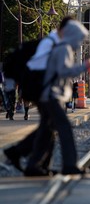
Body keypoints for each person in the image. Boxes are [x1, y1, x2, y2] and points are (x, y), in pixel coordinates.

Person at [2, 16, 74, 173]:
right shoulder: (50, 44)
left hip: (45, 91)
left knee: (48, 127)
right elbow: (38, 67)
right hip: (42, 91)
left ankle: (33, 163)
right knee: (52, 125)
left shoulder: (56, 43)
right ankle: (26, 158)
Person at [24, 19, 90, 176]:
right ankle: (69, 165)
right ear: (73, 36)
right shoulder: (64, 49)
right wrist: (85, 66)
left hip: (49, 94)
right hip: (52, 95)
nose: (80, 43)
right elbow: (64, 71)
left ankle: (33, 166)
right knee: (65, 129)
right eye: (79, 38)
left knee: (45, 132)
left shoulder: (62, 48)